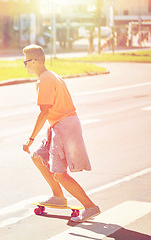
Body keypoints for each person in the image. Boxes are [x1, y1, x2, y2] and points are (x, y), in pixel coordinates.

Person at [22, 44, 101, 222]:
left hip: (64, 126)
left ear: (34, 61)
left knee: (59, 173)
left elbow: (44, 112)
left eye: (25, 61)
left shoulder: (45, 80)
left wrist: (30, 139)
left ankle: (90, 207)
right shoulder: (50, 76)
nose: (24, 65)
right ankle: (58, 197)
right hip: (58, 125)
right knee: (38, 156)